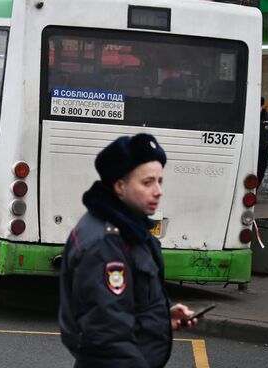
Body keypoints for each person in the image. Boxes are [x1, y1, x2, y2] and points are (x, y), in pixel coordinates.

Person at [59, 133, 197, 368]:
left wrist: (164, 316)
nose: (158, 191)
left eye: (160, 181)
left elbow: (128, 304)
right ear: (120, 186)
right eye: (147, 182)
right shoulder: (105, 242)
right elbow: (106, 336)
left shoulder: (130, 229)